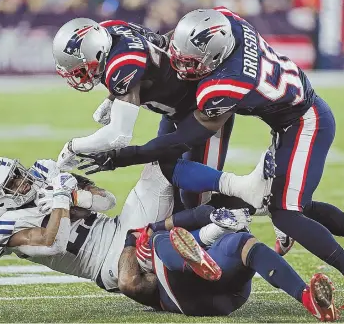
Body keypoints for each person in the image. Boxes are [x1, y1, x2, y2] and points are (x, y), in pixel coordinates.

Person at [74, 8, 344, 305]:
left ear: (215, 59)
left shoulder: (225, 83)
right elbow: (169, 42)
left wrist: (123, 156)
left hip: (305, 122)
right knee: (291, 204)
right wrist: (116, 95)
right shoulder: (224, 23)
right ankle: (234, 216)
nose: (180, 65)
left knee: (286, 212)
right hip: (285, 119)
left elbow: (182, 139)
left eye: (189, 62)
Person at [0, 151, 272, 292]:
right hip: (108, 263)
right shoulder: (4, 229)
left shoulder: (45, 178)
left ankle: (247, 193)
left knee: (159, 168)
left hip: (120, 226)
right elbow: (53, 242)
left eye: (18, 173)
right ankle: (223, 233)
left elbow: (107, 201)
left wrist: (77, 198)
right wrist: (61, 199)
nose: (23, 180)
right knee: (178, 245)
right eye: (13, 184)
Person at [52, 18, 235, 209]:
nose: (78, 77)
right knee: (166, 179)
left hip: (203, 111)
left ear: (97, 52)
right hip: (176, 109)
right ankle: (179, 233)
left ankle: (244, 211)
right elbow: (159, 44)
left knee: (197, 197)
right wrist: (112, 98)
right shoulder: (111, 29)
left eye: (80, 70)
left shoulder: (123, 64)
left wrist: (73, 146)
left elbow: (118, 136)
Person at [117, 205, 339, 321]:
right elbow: (128, 283)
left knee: (242, 242)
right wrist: (142, 234)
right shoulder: (146, 247)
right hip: (225, 298)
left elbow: (128, 282)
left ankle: (196, 261)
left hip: (192, 294)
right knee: (245, 244)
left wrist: (133, 238)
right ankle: (305, 297)